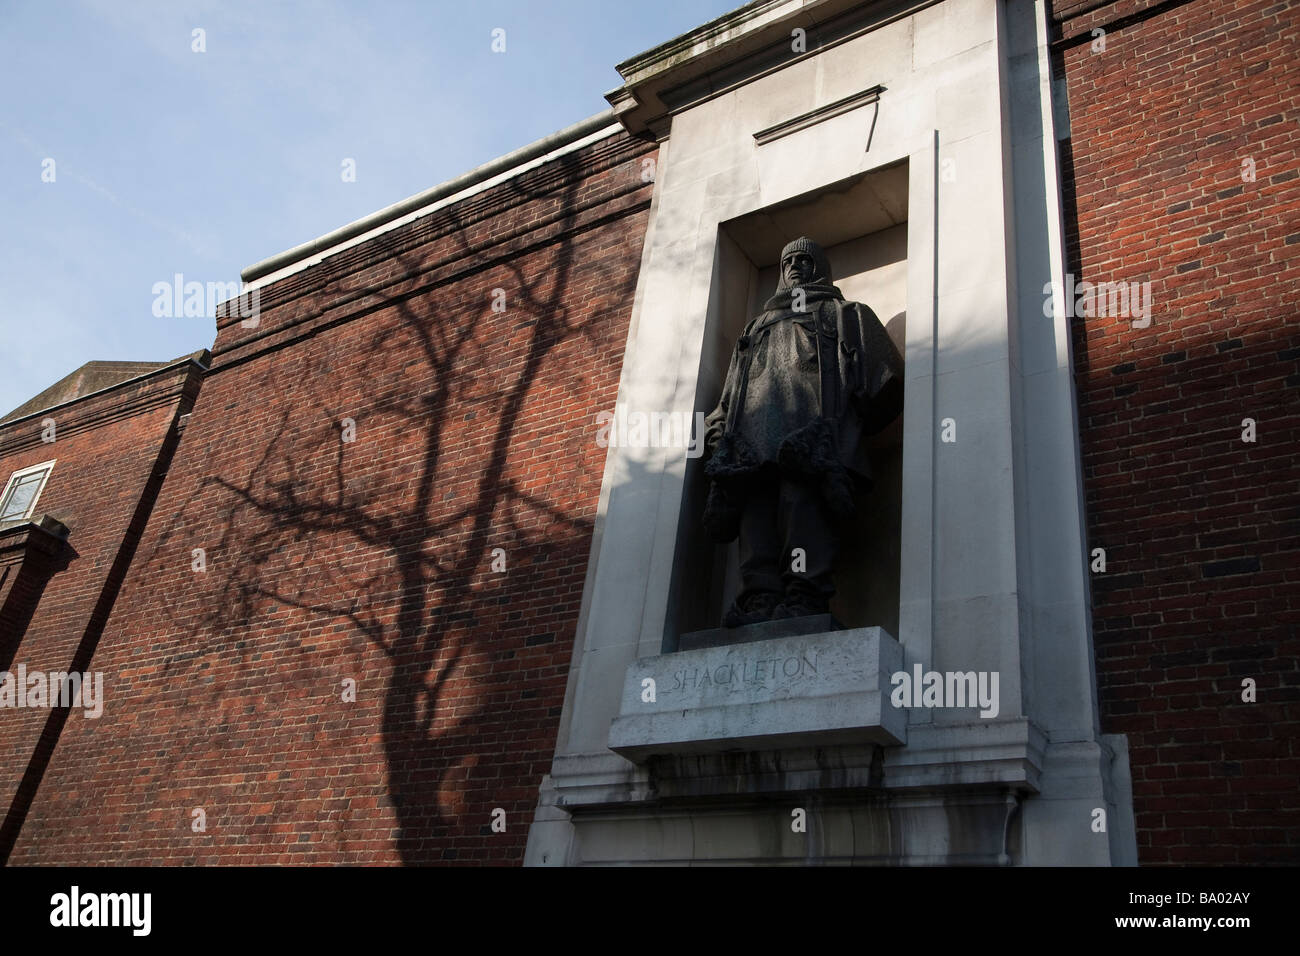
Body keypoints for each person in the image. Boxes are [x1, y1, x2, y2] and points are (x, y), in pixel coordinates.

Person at [702, 237, 903, 626]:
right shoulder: (756, 328)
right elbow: (730, 394)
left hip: (810, 446)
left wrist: (848, 429)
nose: (795, 265)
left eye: (804, 259)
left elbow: (886, 380)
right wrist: (719, 429)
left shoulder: (845, 315)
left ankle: (803, 596)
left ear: (820, 267)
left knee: (803, 511)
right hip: (751, 448)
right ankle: (759, 599)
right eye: (787, 260)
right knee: (755, 521)